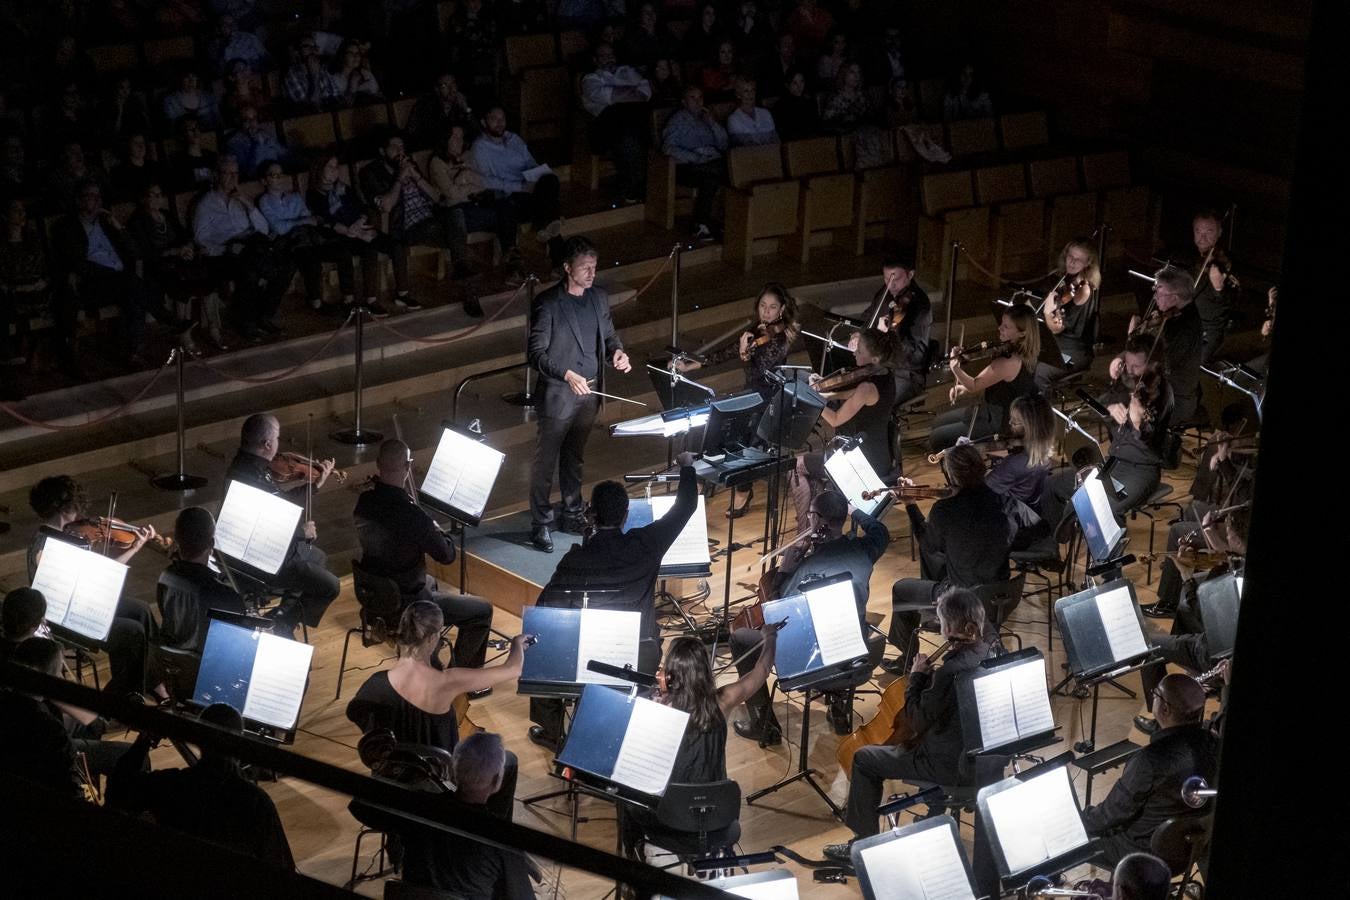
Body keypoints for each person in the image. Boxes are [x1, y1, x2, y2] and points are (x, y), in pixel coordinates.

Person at [527, 452, 699, 750]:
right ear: (626, 512)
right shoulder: (645, 544)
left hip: (586, 658)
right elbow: (687, 505)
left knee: (544, 645)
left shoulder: (576, 559)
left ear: (591, 513)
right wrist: (687, 467)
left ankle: (554, 731)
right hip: (637, 655)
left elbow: (545, 608)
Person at [825, 588, 996, 857]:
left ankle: (860, 844)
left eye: (941, 622)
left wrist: (916, 678)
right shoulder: (989, 653)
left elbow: (916, 720)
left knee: (864, 758)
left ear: (950, 626)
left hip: (949, 766)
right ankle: (935, 809)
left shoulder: (950, 672)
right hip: (986, 761)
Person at [346, 601, 533, 820]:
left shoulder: (373, 685)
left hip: (392, 782)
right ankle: (491, 837)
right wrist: (517, 645)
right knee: (507, 761)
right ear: (433, 638)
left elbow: (360, 719)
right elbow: (513, 669)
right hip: (439, 783)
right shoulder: (446, 682)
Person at [731, 490, 888, 743]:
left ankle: (764, 724)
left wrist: (784, 571)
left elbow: (778, 609)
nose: (807, 517)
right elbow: (880, 531)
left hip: (814, 657)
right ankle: (838, 705)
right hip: (855, 651)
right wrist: (853, 511)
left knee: (739, 637)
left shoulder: (807, 567)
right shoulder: (865, 550)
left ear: (819, 520)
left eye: (810, 514)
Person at [622, 630, 777, 857]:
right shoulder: (724, 700)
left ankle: (633, 866)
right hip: (716, 814)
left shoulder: (658, 710)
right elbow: (762, 671)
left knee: (625, 800)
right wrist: (771, 637)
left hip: (670, 818)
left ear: (670, 675)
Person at [526, 236, 631, 552]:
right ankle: (541, 523)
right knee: (545, 461)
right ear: (567, 268)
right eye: (585, 267)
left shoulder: (598, 298)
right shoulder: (548, 303)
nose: (591, 273)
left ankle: (572, 513)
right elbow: (536, 353)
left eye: (594, 267)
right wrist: (567, 375)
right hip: (560, 393)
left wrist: (618, 352)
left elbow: (610, 335)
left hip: (591, 390)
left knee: (574, 457)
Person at [353, 439, 494, 671]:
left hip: (375, 595)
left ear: (378, 464)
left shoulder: (365, 502)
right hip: (407, 604)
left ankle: (430, 656)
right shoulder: (412, 515)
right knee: (482, 610)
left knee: (431, 581)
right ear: (408, 467)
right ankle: (459, 680)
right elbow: (446, 555)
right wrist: (436, 528)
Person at [107, 702, 294, 867]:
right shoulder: (256, 801)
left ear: (198, 741)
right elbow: (281, 864)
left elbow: (118, 789)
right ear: (239, 743)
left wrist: (145, 739)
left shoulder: (171, 786)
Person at [27, 475, 157, 697]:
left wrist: (134, 548)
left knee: (141, 610)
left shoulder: (69, 537)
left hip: (80, 602)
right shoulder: (45, 547)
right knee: (131, 632)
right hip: (61, 619)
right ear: (62, 509)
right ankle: (116, 701)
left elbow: (99, 573)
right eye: (75, 509)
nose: (80, 516)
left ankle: (150, 685)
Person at [888, 445, 1011, 665]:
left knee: (902, 590)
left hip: (964, 600)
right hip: (1002, 594)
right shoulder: (999, 499)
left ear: (951, 475)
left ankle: (907, 661)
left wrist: (910, 504)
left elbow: (928, 543)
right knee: (939, 562)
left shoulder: (945, 510)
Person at [1082, 674, 1218, 868]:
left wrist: (1080, 819)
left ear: (1164, 708)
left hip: (1142, 855)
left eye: (1156, 694)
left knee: (1071, 837)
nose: (1153, 695)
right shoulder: (1214, 744)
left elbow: (1112, 814)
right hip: (1186, 852)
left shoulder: (1149, 761)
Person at [223, 413, 340, 636]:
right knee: (330, 587)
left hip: (255, 551)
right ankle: (283, 623)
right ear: (267, 444)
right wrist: (300, 532)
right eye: (277, 438)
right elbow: (260, 530)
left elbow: (278, 501)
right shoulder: (252, 478)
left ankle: (280, 615)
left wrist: (314, 486)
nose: (279, 444)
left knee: (318, 557)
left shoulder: (247, 466)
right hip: (259, 560)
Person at [51, 179, 170, 368]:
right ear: (78, 200)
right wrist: (111, 275)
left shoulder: (106, 224)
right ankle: (167, 319)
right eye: (91, 196)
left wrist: (118, 226)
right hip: (92, 284)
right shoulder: (66, 226)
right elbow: (76, 264)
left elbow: (135, 252)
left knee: (133, 290)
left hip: (119, 282)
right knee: (133, 284)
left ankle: (134, 352)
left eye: (98, 196)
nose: (97, 201)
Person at [192, 155, 291, 340]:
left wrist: (247, 203)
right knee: (253, 270)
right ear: (217, 175)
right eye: (227, 173)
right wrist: (226, 248)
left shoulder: (240, 200)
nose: (232, 178)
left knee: (283, 266)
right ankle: (247, 323)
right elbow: (201, 241)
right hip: (225, 254)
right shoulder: (206, 204)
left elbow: (263, 228)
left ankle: (262, 316)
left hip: (251, 248)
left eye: (235, 174)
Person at [928, 305, 1040, 452]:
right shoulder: (1021, 351)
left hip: (999, 421)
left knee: (937, 438)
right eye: (1001, 323)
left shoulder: (1009, 361)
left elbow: (974, 385)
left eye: (1006, 326)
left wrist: (955, 368)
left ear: (1022, 333)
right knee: (937, 422)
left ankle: (955, 463)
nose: (1000, 328)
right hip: (988, 408)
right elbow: (996, 384)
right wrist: (965, 389)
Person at [467, 105, 566, 271]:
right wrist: (519, 186)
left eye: (502, 119)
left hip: (528, 188)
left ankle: (546, 225)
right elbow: (484, 181)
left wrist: (536, 177)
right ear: (484, 122)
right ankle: (552, 243)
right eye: (494, 119)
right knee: (543, 208)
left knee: (550, 180)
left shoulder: (514, 139)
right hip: (507, 193)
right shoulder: (480, 147)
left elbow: (530, 162)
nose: (499, 123)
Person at [305, 152, 397, 317]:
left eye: (336, 167)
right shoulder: (314, 194)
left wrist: (359, 224)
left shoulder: (342, 188)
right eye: (330, 167)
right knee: (346, 251)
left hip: (355, 230)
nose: (335, 171)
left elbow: (360, 209)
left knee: (375, 245)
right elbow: (326, 221)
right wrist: (352, 231)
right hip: (334, 237)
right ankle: (349, 299)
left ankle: (371, 299)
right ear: (319, 170)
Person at [676, 282, 800, 400]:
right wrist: (689, 366)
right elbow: (726, 353)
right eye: (763, 305)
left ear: (782, 309)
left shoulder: (780, 340)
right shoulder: (760, 329)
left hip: (769, 400)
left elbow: (755, 375)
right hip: (754, 393)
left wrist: (744, 354)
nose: (766, 312)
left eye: (772, 307)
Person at [429, 125, 518, 285]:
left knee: (505, 205)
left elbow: (485, 182)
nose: (459, 141)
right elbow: (451, 195)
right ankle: (461, 268)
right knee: (456, 212)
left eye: (461, 138)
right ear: (445, 140)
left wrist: (465, 180)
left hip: (474, 207)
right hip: (454, 215)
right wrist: (467, 182)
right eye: (455, 138)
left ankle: (513, 263)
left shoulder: (468, 156)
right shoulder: (437, 162)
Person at [0, 636, 83, 800]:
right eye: (59, 671)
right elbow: (72, 792)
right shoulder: (51, 729)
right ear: (46, 679)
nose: (61, 677)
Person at [157, 507, 247, 655]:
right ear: (211, 544)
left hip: (175, 658)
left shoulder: (165, 576)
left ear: (177, 540)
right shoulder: (224, 595)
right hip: (205, 664)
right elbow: (236, 642)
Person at [810, 328, 897, 478]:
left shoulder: (866, 388)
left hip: (863, 461)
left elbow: (835, 420)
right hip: (879, 456)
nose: (854, 352)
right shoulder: (886, 374)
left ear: (875, 359)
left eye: (860, 351)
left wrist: (812, 397)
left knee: (798, 467)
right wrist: (827, 395)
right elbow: (854, 394)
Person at [850, 251, 933, 405]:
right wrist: (857, 334)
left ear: (910, 275)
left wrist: (890, 334)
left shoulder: (920, 306)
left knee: (873, 401)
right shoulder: (885, 292)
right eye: (887, 278)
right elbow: (867, 318)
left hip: (904, 374)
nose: (890, 284)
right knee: (849, 391)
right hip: (878, 367)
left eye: (896, 278)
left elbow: (916, 354)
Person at [580, 43, 653, 205]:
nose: (608, 58)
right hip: (604, 129)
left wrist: (623, 95)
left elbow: (646, 93)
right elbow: (610, 96)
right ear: (595, 60)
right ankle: (632, 186)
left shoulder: (627, 72)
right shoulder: (591, 79)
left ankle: (635, 186)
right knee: (623, 118)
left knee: (634, 127)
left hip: (632, 126)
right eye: (603, 56)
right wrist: (631, 93)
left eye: (611, 54)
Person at [1130, 265, 1202, 427]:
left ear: (1175, 298)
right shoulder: (1172, 317)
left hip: (1175, 400)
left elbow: (1159, 367)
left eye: (1159, 292)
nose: (1154, 297)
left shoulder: (1184, 329)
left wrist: (1133, 340)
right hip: (1160, 390)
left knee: (1124, 419)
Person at [661, 86, 728, 241]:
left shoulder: (707, 119)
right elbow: (668, 148)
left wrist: (713, 124)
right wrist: (695, 157)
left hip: (712, 161)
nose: (698, 102)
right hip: (688, 166)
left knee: (723, 171)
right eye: (693, 98)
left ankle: (720, 220)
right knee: (715, 174)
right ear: (684, 102)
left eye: (700, 98)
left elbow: (724, 144)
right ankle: (700, 224)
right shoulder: (678, 120)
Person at [1186, 210, 1238, 365]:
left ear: (1219, 232)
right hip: (1189, 324)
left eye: (1209, 232)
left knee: (1194, 363)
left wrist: (1219, 288)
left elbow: (1233, 298)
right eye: (1198, 231)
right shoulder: (1190, 259)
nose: (1202, 237)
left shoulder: (1226, 262)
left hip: (1210, 330)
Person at [1044, 239, 1101, 371]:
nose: (1072, 262)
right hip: (1054, 342)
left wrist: (1047, 313)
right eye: (1070, 256)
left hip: (1072, 350)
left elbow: (1056, 328)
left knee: (1034, 370)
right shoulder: (1062, 279)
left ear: (1088, 263)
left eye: (1079, 259)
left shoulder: (1083, 290)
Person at [406, 72, 475, 150]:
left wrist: (466, 108)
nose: (451, 89)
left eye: (453, 84)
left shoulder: (461, 104)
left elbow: (474, 132)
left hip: (458, 150)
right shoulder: (426, 105)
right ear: (437, 90)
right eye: (444, 86)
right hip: (430, 150)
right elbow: (413, 133)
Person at [223, 105, 291, 180]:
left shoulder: (266, 136)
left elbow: (284, 155)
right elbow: (246, 172)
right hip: (257, 181)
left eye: (254, 118)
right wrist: (255, 144)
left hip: (277, 176)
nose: (251, 123)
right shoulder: (234, 143)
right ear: (239, 122)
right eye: (246, 120)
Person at [726, 76, 779, 147]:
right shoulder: (733, 119)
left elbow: (775, 139)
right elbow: (744, 145)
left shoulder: (765, 113)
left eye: (752, 90)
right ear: (738, 95)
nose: (750, 94)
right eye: (746, 91)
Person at [773, 69, 820, 141]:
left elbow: (815, 126)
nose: (799, 86)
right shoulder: (780, 105)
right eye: (794, 83)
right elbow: (783, 131)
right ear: (787, 85)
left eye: (802, 81)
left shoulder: (810, 103)